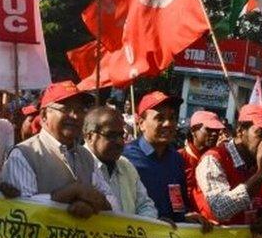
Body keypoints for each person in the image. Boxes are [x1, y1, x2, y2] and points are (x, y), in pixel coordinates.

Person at [1, 81, 109, 217]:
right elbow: (22, 210)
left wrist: (92, 204)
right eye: (66, 109)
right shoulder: (24, 154)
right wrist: (70, 193)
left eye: (80, 110)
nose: (75, 116)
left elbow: (111, 202)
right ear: (44, 115)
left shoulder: (87, 157)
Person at [195, 104, 262, 233]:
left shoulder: (258, 162)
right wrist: (260, 175)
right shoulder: (213, 160)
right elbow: (220, 209)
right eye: (261, 134)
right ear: (241, 130)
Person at [122, 92, 190, 222]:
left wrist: (187, 217)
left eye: (172, 117)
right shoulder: (126, 158)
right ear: (141, 124)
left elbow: (179, 205)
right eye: (160, 118)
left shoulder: (177, 160)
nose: (168, 124)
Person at [82, 106, 157, 218]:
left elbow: (145, 205)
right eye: (111, 136)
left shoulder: (126, 166)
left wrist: (143, 226)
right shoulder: (78, 166)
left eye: (121, 135)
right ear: (90, 136)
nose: (119, 142)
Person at [180, 110, 225, 209]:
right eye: (209, 129)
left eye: (217, 130)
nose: (214, 134)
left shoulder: (220, 159)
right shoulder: (179, 158)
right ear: (193, 131)